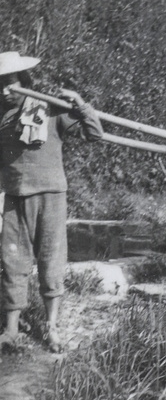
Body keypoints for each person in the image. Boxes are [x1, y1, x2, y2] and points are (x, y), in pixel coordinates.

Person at [0, 51, 104, 352]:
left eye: (11, 83)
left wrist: (81, 104)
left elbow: (95, 135)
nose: (6, 91)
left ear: (24, 81)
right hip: (15, 197)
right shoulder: (1, 117)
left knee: (51, 261)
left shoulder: (50, 110)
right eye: (0, 85)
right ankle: (11, 330)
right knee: (13, 263)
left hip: (50, 196)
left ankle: (52, 328)